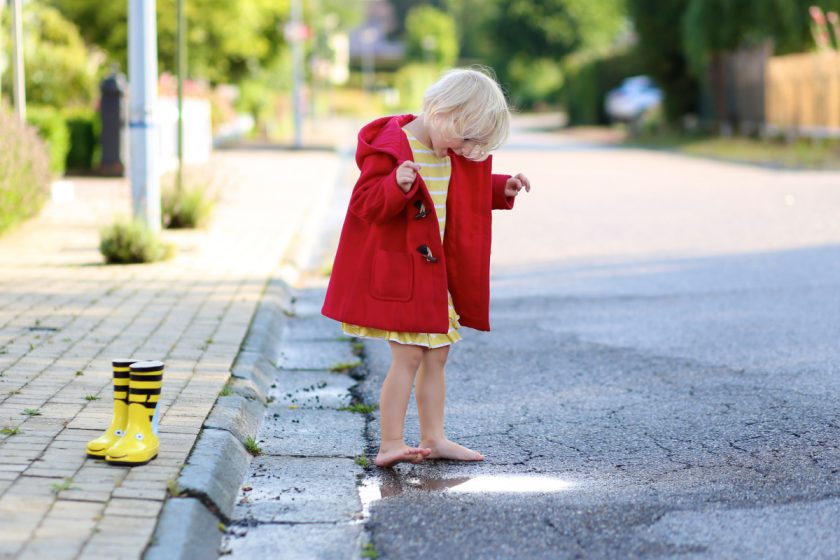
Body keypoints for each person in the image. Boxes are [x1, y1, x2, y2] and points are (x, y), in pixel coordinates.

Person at [322, 67, 531, 468]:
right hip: (403, 276)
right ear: (443, 112)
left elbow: (460, 191)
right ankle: (390, 442)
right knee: (408, 358)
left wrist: (499, 188)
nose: (466, 148)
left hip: (436, 278)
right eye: (465, 137)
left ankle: (434, 438)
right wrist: (395, 187)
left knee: (437, 357)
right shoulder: (391, 147)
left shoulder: (449, 150)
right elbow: (365, 204)